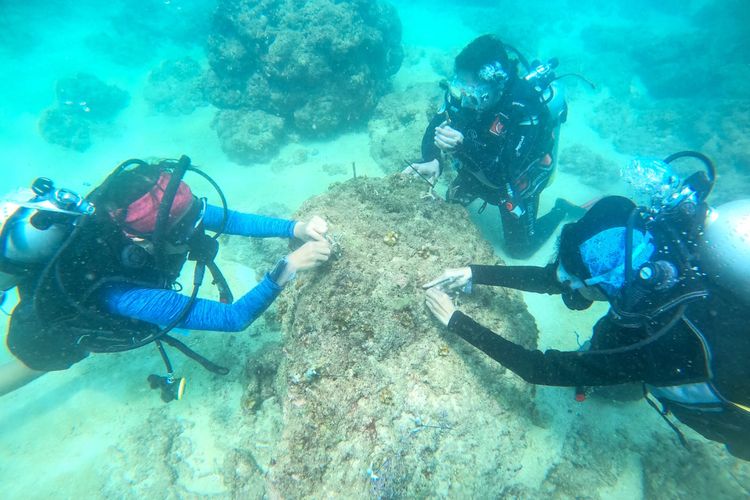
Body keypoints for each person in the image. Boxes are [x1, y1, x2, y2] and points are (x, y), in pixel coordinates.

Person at [423, 152, 750, 460]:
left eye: (573, 281)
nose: (566, 286)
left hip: (731, 411)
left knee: (617, 362)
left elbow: (539, 368)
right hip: (681, 341)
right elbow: (553, 280)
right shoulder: (652, 248)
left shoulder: (661, 338)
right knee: (611, 336)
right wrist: (474, 272)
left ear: (601, 280)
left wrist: (455, 320)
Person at [0, 156, 332, 401]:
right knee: (36, 363)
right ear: (143, 240)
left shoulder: (147, 216)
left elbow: (230, 220)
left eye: (192, 217)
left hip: (62, 276)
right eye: (185, 228)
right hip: (50, 332)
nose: (196, 228)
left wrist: (295, 228)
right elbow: (234, 318)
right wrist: (287, 267)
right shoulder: (121, 292)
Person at [405, 34, 581, 258]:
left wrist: (463, 146)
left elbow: (502, 176)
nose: (465, 95)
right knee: (452, 203)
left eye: (473, 88)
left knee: (519, 250)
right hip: (478, 165)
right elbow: (435, 126)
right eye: (460, 84)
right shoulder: (462, 96)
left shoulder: (525, 109)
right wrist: (433, 159)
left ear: (495, 81)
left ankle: (560, 209)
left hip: (516, 180)